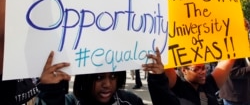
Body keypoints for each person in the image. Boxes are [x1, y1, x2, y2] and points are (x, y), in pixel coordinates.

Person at [34, 48, 181, 105]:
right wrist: (50, 91)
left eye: (113, 76)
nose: (107, 84)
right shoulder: (70, 103)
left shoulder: (129, 101)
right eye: (99, 78)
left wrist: (158, 81)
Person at [163, 59, 235, 105]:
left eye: (204, 68)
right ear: (184, 70)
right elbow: (165, 64)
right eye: (196, 69)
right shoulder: (178, 88)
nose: (203, 72)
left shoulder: (208, 84)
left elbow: (229, 59)